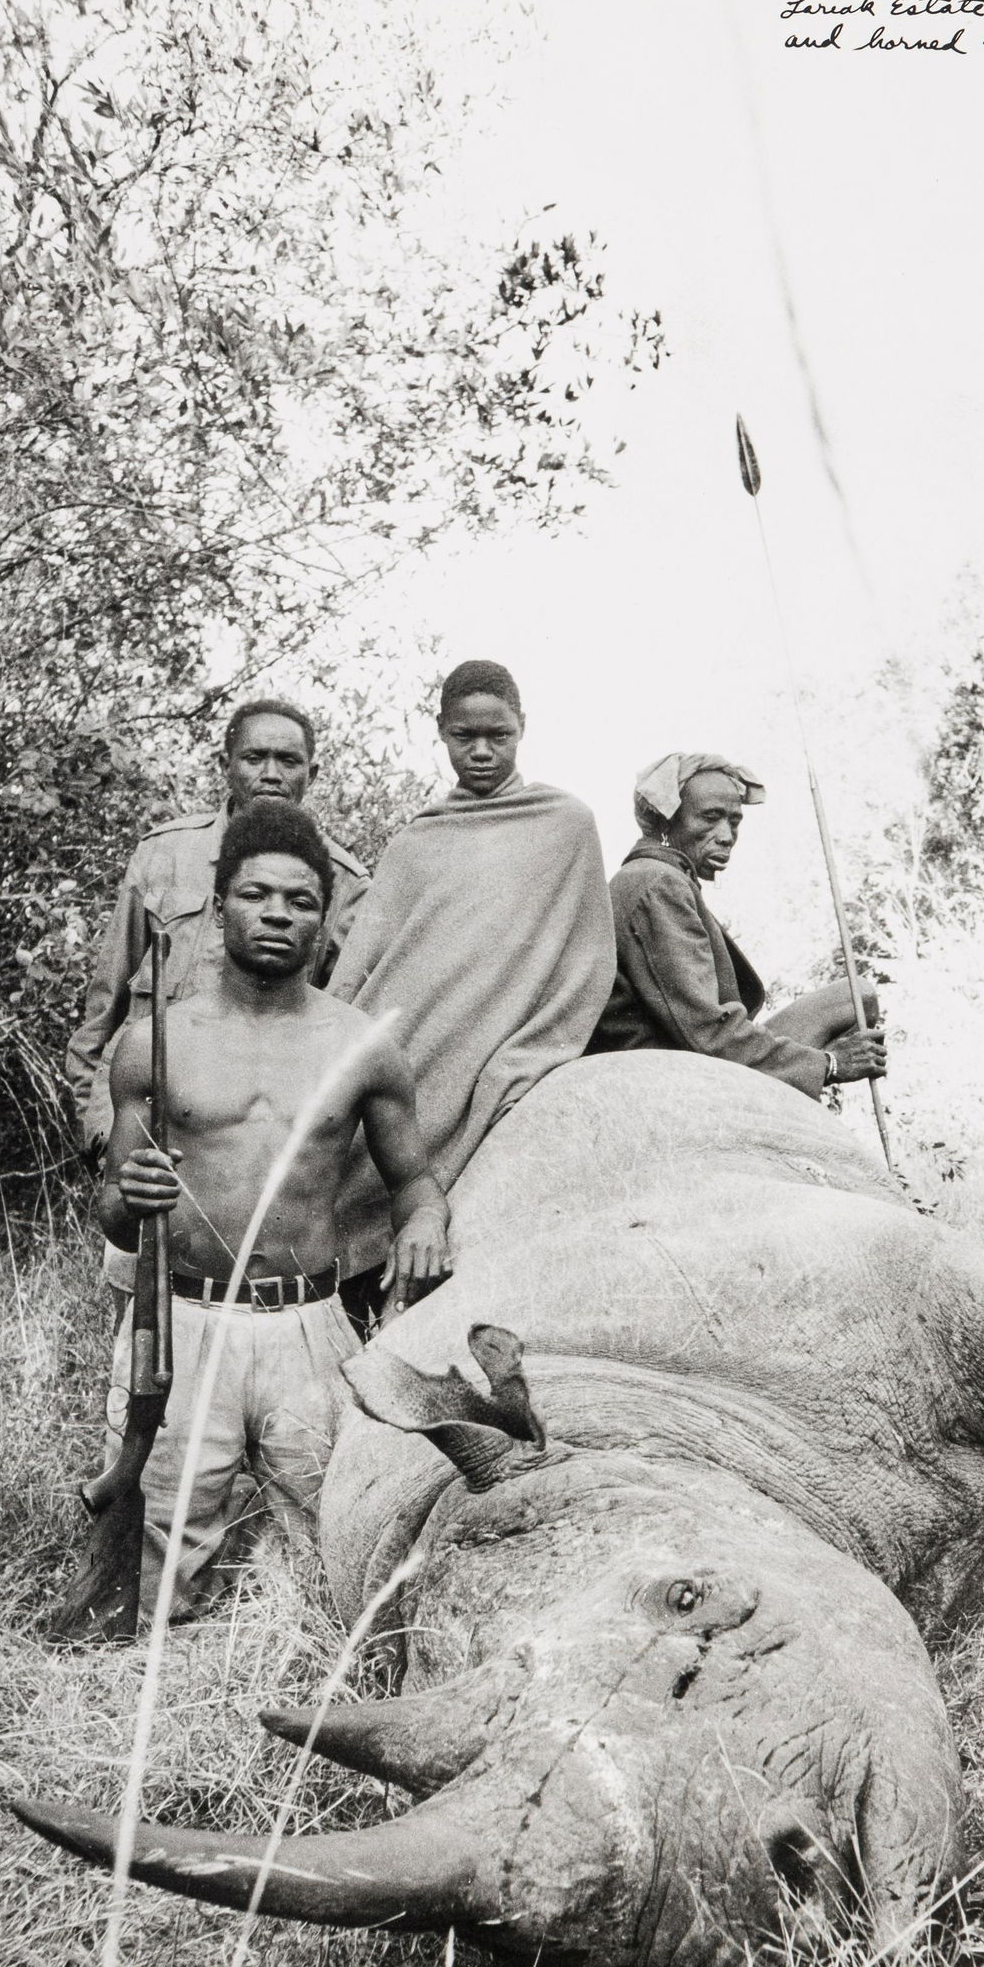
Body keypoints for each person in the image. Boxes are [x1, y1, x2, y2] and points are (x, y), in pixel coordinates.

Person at [97, 799, 448, 1618]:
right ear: (219, 909)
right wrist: (128, 1195)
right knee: (160, 1577)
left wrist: (425, 1223)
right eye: (257, 895)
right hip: (179, 1325)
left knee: (337, 1549)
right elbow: (113, 1209)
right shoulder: (157, 1040)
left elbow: (415, 1183)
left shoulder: (363, 1043)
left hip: (310, 1326)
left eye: (301, 901)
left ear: (326, 924)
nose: (279, 915)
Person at [327, 658, 615, 1330]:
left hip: (510, 1050)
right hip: (408, 1055)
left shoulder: (567, 825)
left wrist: (530, 1047)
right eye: (465, 736)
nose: (482, 751)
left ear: (523, 729)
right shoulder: (416, 841)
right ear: (441, 733)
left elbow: (585, 956)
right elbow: (367, 967)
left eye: (499, 735)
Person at [66, 697, 370, 1156]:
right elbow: (106, 1003)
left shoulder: (342, 882)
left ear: (313, 773)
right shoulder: (164, 854)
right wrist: (98, 1124)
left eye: (288, 761)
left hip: (253, 1135)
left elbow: (343, 1027)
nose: (271, 774)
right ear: (224, 764)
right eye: (254, 758)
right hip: (141, 1121)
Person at [586, 751, 889, 1097]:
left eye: (734, 822)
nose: (727, 835)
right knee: (856, 998)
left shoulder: (661, 879)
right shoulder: (657, 884)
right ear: (665, 820)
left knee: (858, 996)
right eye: (710, 817)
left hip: (693, 1058)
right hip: (675, 1077)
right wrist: (829, 1064)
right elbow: (706, 1031)